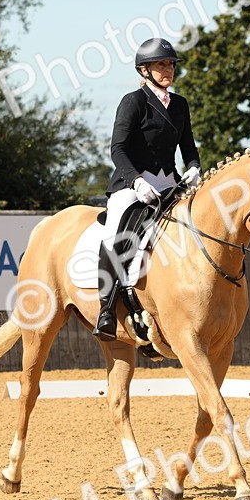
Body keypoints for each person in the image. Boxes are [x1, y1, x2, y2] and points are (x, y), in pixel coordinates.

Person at [93, 37, 202, 341]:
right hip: (133, 185)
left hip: (169, 183)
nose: (168, 69)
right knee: (117, 232)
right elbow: (118, 148)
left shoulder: (180, 104)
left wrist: (194, 167)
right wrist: (136, 180)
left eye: (170, 64)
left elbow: (189, 147)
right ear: (144, 70)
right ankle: (106, 309)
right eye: (161, 64)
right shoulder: (133, 102)